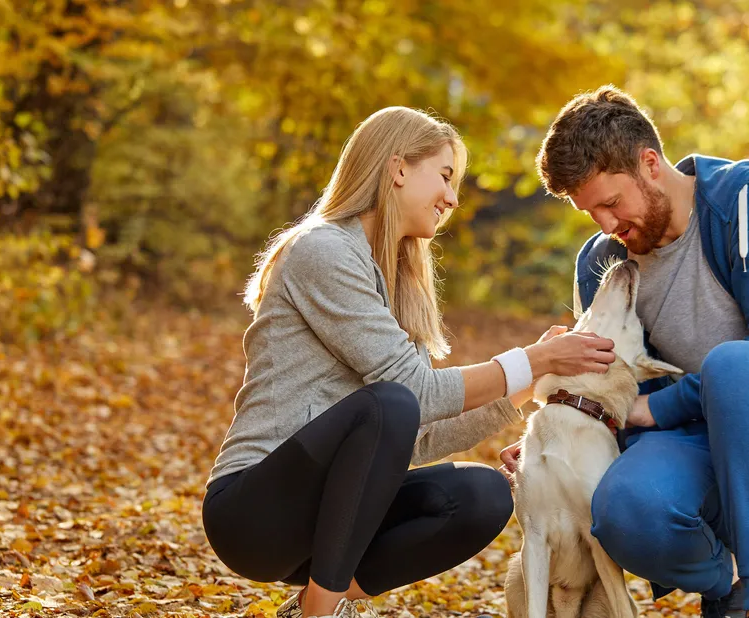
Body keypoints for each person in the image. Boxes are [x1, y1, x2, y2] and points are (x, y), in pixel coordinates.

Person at [201, 106, 617, 618]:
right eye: (444, 176)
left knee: (481, 494)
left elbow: (413, 437)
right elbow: (409, 398)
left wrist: (527, 388)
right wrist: (530, 360)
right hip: (254, 511)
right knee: (393, 401)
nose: (453, 197)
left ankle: (316, 601)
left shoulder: (397, 287)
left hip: (328, 520)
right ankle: (322, 615)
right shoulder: (323, 250)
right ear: (398, 169)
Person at [501, 85, 749, 618]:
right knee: (623, 510)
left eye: (612, 203)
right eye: (592, 214)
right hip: (687, 445)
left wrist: (657, 408)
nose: (608, 225)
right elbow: (608, 385)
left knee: (735, 363)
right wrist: (556, 436)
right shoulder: (603, 263)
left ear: (650, 164)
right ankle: (722, 588)